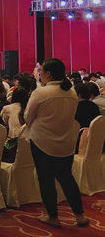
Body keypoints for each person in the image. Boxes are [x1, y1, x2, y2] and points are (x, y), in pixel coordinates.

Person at [24, 58, 88, 228]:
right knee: (67, 177)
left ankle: (53, 216)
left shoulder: (41, 93)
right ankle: (79, 215)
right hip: (66, 141)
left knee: (46, 179)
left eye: (41, 71)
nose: (39, 74)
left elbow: (27, 117)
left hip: (42, 141)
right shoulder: (71, 92)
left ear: (48, 74)